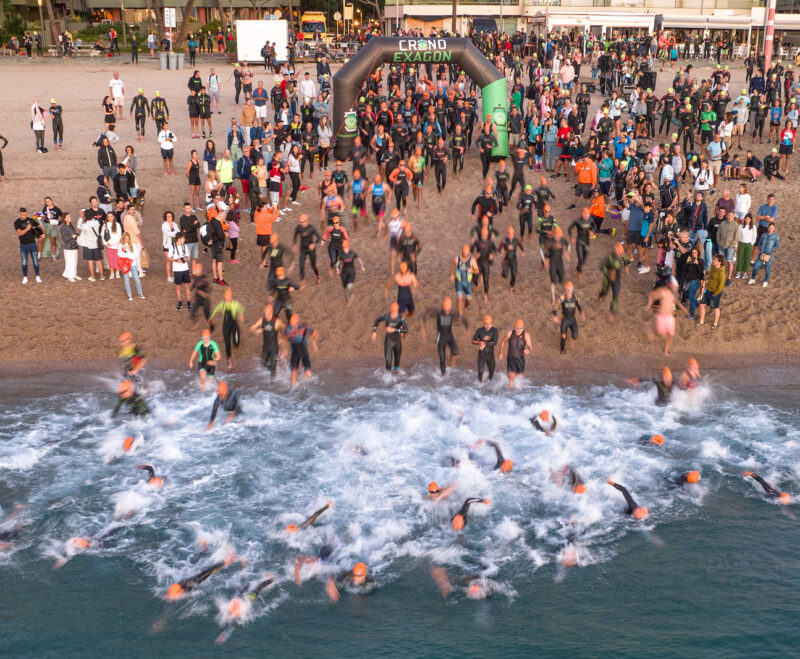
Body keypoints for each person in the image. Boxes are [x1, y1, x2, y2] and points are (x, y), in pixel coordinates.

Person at [165, 553, 238, 600]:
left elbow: (207, 573)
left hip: (193, 577)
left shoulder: (189, 584)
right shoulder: (173, 594)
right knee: (200, 565)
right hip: (188, 577)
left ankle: (204, 548)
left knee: (202, 568)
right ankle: (203, 548)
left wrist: (224, 562)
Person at [647, 283, 688, 355]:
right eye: (674, 287)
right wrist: (649, 304)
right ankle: (654, 330)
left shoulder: (673, 295)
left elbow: (678, 303)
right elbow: (652, 294)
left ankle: (666, 351)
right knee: (660, 333)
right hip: (662, 316)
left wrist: (685, 310)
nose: (675, 288)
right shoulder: (663, 292)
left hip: (670, 317)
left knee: (670, 335)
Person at [210, 288, 245, 368]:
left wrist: (241, 315)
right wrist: (211, 318)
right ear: (224, 297)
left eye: (228, 297)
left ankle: (236, 343)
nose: (227, 299)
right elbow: (214, 311)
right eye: (226, 297)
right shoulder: (221, 304)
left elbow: (241, 309)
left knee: (236, 343)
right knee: (227, 344)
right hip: (225, 326)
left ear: (231, 297)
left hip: (234, 325)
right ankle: (229, 360)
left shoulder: (235, 304)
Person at [249, 304, 283, 377]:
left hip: (274, 348)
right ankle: (273, 370)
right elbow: (252, 328)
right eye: (265, 313)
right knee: (263, 366)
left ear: (271, 312)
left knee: (272, 371)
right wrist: (256, 331)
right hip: (265, 348)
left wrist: (282, 339)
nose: (265, 315)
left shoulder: (277, 322)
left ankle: (273, 383)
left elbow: (285, 330)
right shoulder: (261, 321)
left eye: (267, 313)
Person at [498, 319, 533, 389]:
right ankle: (510, 393)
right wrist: (500, 352)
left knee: (520, 377)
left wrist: (528, 350)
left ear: (523, 328)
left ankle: (518, 395)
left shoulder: (526, 335)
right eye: (517, 328)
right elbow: (503, 342)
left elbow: (530, 346)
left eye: (521, 328)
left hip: (520, 358)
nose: (519, 330)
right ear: (515, 327)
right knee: (511, 377)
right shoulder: (510, 333)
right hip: (511, 358)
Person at [285, 314, 318, 386]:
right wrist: (285, 349)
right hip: (295, 353)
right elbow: (285, 338)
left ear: (297, 323)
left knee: (308, 372)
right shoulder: (288, 328)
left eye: (294, 325)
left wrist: (314, 342)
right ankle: (293, 388)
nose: (292, 326)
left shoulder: (304, 327)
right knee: (294, 371)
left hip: (304, 352)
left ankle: (304, 385)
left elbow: (314, 332)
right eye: (291, 325)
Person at [553, 281, 584, 354]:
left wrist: (582, 313)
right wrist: (555, 316)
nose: (569, 291)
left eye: (570, 289)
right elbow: (555, 308)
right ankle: (562, 350)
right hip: (565, 320)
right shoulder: (562, 298)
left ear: (573, 289)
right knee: (563, 337)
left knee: (575, 336)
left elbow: (579, 306)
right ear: (565, 289)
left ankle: (571, 332)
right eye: (568, 289)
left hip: (573, 320)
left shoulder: (575, 298)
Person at [598, 243, 627, 320]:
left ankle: (611, 313)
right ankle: (600, 295)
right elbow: (601, 265)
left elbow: (626, 261)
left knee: (615, 295)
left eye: (621, 253)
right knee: (604, 291)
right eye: (619, 253)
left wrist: (627, 267)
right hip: (607, 277)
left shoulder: (623, 256)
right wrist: (608, 273)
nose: (620, 254)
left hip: (617, 278)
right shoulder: (610, 257)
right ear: (615, 251)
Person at [14, 207, 42, 284]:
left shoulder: (30, 220)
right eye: (23, 215)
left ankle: (37, 276)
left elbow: (40, 225)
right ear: (20, 213)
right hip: (23, 246)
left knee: (36, 261)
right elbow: (19, 233)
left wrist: (43, 234)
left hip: (32, 244)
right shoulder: (17, 222)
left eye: (25, 214)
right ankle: (25, 277)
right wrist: (27, 229)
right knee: (24, 262)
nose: (24, 216)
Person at [698, 254, 726, 328]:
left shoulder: (721, 273)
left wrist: (715, 293)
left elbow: (721, 286)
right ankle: (701, 322)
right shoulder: (712, 267)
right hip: (708, 290)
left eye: (715, 260)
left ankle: (715, 324)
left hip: (715, 292)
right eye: (714, 259)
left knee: (715, 308)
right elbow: (710, 277)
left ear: (720, 262)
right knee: (701, 305)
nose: (713, 261)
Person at [450, 245, 479, 318]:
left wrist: (472, 270)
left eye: (467, 254)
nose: (465, 255)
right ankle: (460, 315)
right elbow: (453, 265)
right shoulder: (457, 259)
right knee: (459, 299)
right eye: (464, 253)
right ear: (461, 252)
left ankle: (465, 306)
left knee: (468, 300)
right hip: (459, 282)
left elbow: (477, 271)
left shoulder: (472, 260)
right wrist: (452, 274)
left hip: (468, 283)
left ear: (469, 253)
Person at [748, 222, 780, 288]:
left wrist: (773, 250)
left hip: (769, 255)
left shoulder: (776, 236)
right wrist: (760, 249)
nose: (771, 229)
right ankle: (753, 279)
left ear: (774, 229)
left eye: (772, 228)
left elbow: (777, 245)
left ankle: (766, 281)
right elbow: (759, 243)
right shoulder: (763, 235)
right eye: (770, 228)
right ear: (767, 228)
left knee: (767, 268)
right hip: (761, 254)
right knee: (756, 267)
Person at [336, 240, 365, 305]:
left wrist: (362, 266)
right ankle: (348, 297)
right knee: (345, 288)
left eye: (346, 247)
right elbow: (337, 262)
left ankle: (350, 295)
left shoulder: (353, 253)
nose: (345, 249)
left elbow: (359, 259)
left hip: (351, 272)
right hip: (343, 273)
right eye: (343, 247)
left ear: (348, 247)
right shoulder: (340, 254)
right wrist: (337, 269)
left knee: (349, 286)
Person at [472, 315, 498, 383]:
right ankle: (479, 384)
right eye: (486, 324)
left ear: (491, 323)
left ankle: (488, 383)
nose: (488, 325)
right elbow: (473, 340)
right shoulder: (479, 330)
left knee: (492, 371)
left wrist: (485, 344)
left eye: (489, 324)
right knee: (480, 371)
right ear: (484, 324)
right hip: (482, 354)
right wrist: (479, 342)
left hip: (490, 355)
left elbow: (494, 342)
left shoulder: (494, 330)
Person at [60, 213, 80, 282]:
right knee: (69, 261)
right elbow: (64, 238)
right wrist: (72, 236)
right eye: (68, 217)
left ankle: (74, 274)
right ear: (64, 219)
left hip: (73, 245)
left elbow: (73, 234)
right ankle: (70, 276)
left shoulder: (71, 226)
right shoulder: (63, 227)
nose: (70, 218)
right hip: (68, 246)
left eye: (70, 217)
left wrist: (77, 235)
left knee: (74, 260)